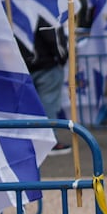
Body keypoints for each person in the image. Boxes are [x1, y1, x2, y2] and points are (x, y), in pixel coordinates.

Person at [21, 19, 72, 153]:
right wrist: (62, 57)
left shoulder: (16, 6)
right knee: (48, 104)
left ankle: (33, 141)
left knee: (29, 106)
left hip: (24, 65)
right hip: (47, 65)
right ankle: (49, 141)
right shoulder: (43, 9)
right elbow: (53, 38)